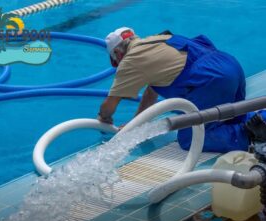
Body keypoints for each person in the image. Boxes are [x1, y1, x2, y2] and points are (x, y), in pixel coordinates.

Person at [97, 27, 266, 153]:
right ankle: (262, 120)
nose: (117, 65)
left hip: (211, 79)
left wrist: (103, 119)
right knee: (233, 117)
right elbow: (151, 92)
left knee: (191, 138)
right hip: (230, 65)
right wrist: (137, 122)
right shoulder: (159, 39)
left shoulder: (131, 61)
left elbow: (109, 106)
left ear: (118, 53)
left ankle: (251, 136)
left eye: (115, 62)